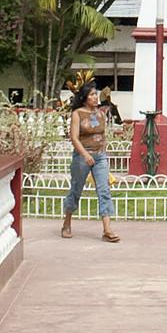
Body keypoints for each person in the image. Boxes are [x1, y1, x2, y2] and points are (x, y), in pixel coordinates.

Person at [60, 81, 121, 243]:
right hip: (82, 157)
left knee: (104, 190)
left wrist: (102, 150)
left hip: (100, 156)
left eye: (96, 94)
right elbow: (73, 137)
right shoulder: (78, 114)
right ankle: (67, 223)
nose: (95, 97)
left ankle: (107, 229)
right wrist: (85, 154)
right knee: (76, 189)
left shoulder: (101, 113)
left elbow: (102, 134)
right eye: (92, 95)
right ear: (85, 97)